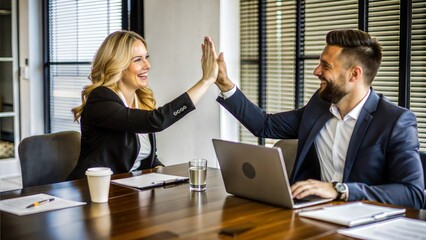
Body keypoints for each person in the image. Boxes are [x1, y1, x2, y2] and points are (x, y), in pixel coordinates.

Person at [214, 29, 425, 209]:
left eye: (326, 66)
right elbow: (265, 125)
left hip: (365, 222)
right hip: (312, 212)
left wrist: (339, 190)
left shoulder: (396, 121)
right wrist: (225, 85)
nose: (316, 71)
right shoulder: (319, 106)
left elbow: (412, 194)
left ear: (354, 74)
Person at [67, 31, 218, 180]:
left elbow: (149, 159)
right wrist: (205, 81)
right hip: (91, 189)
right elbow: (156, 121)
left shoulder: (142, 100)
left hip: (125, 190)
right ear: (117, 64)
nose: (148, 65)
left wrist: (166, 176)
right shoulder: (100, 99)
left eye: (146, 57)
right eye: (138, 60)